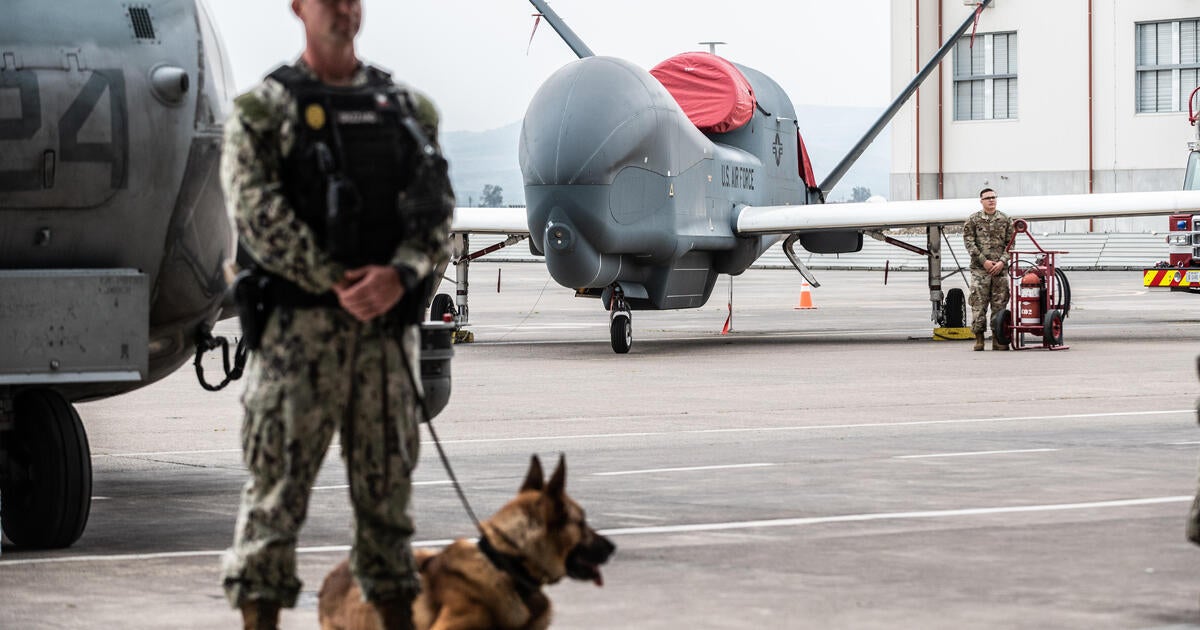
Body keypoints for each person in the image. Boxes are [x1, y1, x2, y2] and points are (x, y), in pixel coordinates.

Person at [218, 0, 453, 628]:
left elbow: (435, 214)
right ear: (297, 7)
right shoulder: (264, 112)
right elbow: (255, 214)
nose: (344, 9)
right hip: (300, 342)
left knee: (388, 520)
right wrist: (339, 279)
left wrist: (399, 274)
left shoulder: (404, 111)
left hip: (384, 343)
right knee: (273, 512)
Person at [962, 188, 1015, 351]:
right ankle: (979, 338)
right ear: (981, 201)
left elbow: (1011, 244)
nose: (991, 200)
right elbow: (969, 243)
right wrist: (984, 261)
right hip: (980, 270)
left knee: (999, 304)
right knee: (978, 304)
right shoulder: (973, 220)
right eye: (988, 198)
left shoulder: (1005, 219)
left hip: (1000, 270)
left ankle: (998, 339)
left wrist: (1002, 262)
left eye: (993, 197)